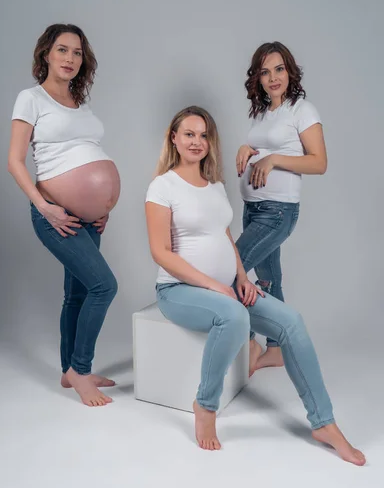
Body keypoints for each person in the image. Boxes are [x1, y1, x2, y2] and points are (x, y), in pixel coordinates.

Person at [145, 105, 365, 465]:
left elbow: (226, 236)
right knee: (234, 316)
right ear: (174, 138)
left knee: (291, 322)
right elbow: (161, 253)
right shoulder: (162, 186)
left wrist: (242, 278)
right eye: (189, 134)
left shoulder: (214, 184)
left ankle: (324, 422)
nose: (197, 141)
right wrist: (214, 287)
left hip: (226, 288)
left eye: (203, 135)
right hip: (178, 291)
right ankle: (205, 405)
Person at [8, 23, 120, 407]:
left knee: (77, 294)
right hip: (56, 214)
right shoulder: (31, 99)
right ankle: (81, 369)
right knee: (104, 286)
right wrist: (44, 207)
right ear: (46, 54)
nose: (70, 58)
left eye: (76, 52)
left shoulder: (79, 101)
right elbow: (14, 161)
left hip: (89, 219)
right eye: (62, 50)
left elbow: (87, 153)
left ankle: (67, 370)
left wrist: (101, 206)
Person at [235, 42, 327, 375]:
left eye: (279, 69)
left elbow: (319, 162)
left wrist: (273, 159)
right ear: (256, 78)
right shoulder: (262, 112)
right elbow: (265, 143)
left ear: (290, 71)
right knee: (269, 280)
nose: (273, 78)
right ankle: (277, 349)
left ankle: (249, 342)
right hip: (254, 208)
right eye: (265, 71)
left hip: (277, 212)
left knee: (233, 272)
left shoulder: (303, 110)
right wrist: (248, 147)